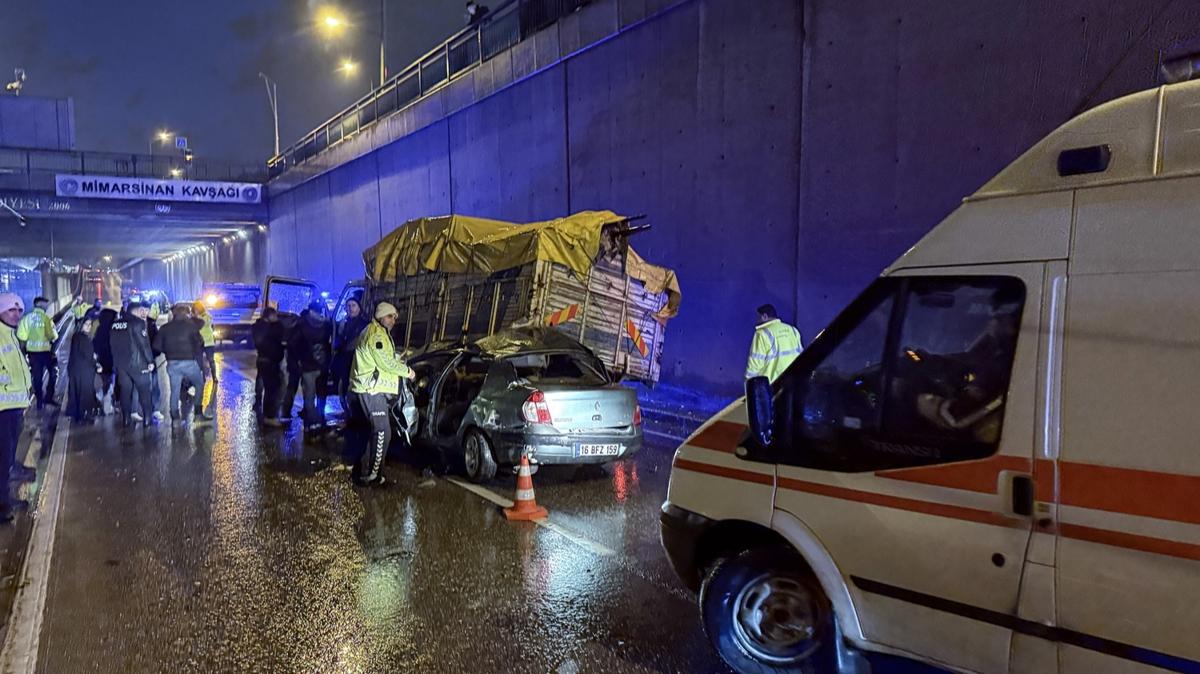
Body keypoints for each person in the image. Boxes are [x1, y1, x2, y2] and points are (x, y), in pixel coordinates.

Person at [350, 302, 414, 486]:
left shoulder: (378, 332)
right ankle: (373, 475)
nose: (393, 320)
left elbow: (383, 358)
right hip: (371, 390)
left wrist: (396, 357)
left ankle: (366, 471)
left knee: (377, 432)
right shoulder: (376, 334)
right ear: (381, 317)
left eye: (395, 317)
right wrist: (408, 371)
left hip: (372, 389)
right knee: (382, 432)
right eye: (390, 316)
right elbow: (385, 363)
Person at [0, 294, 31, 523]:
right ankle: (1, 507)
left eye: (19, 310)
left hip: (14, 406)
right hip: (3, 408)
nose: (17, 314)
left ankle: (5, 500)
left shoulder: (10, 335)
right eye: (12, 310)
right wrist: (9, 382)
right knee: (2, 459)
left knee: (8, 458)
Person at [154, 305, 210, 424]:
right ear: (186, 314)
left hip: (172, 363)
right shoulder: (191, 326)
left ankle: (175, 417)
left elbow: (156, 346)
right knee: (199, 383)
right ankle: (198, 414)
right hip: (189, 362)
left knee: (175, 390)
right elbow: (200, 342)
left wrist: (169, 352)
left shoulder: (165, 328)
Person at [109, 302, 156, 427]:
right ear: (135, 311)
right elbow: (144, 345)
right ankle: (147, 419)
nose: (142, 312)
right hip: (138, 364)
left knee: (125, 392)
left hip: (121, 365)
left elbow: (112, 345)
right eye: (140, 310)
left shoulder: (115, 324)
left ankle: (126, 419)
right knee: (145, 392)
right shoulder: (138, 323)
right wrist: (150, 361)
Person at [294, 301, 333, 432]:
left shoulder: (302, 323)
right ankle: (321, 420)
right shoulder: (327, 323)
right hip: (323, 365)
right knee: (322, 394)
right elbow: (331, 343)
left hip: (307, 365)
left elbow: (295, 343)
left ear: (310, 309)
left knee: (309, 396)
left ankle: (311, 423)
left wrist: (298, 360)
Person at [16, 296, 59, 409]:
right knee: (53, 373)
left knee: (37, 377)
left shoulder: (26, 319)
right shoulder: (46, 319)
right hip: (46, 353)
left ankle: (39, 401)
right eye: (45, 304)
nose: (47, 306)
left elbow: (21, 336)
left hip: (33, 354)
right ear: (39, 304)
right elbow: (53, 336)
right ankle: (48, 398)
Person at [745, 304, 803, 383]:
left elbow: (755, 364)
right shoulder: (792, 330)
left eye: (758, 317)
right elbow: (801, 356)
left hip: (773, 386)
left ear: (765, 316)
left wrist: (749, 383)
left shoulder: (761, 334)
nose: (756, 321)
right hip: (793, 382)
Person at [333, 297, 369, 415]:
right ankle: (350, 413)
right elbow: (339, 340)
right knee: (345, 387)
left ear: (359, 307)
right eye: (348, 306)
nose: (351, 308)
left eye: (353, 305)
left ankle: (357, 415)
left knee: (356, 389)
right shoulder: (344, 323)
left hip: (358, 362)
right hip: (345, 361)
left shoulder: (365, 324)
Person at [252, 307, 286, 426]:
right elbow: (277, 338)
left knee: (266, 386)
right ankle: (269, 416)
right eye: (275, 316)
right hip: (270, 362)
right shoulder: (270, 329)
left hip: (262, 360)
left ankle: (262, 407)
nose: (276, 318)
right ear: (270, 316)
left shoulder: (258, 327)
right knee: (272, 389)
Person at [66, 316, 101, 423]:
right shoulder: (84, 339)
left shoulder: (76, 337)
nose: (89, 327)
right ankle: (84, 414)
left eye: (90, 325)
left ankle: (76, 414)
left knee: (76, 391)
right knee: (85, 392)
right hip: (84, 370)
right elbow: (88, 356)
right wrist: (97, 365)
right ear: (81, 325)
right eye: (86, 324)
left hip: (75, 369)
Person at [93, 305, 118, 413]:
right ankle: (106, 406)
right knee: (110, 384)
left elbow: (95, 345)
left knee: (106, 383)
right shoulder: (113, 330)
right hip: (112, 362)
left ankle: (102, 400)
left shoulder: (100, 330)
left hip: (102, 362)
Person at [192, 300, 218, 384]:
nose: (195, 310)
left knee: (211, 360)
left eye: (196, 309)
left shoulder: (207, 316)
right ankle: (202, 379)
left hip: (208, 342)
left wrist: (197, 317)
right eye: (194, 309)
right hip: (199, 342)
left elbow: (206, 323)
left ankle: (214, 377)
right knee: (199, 361)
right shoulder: (194, 318)